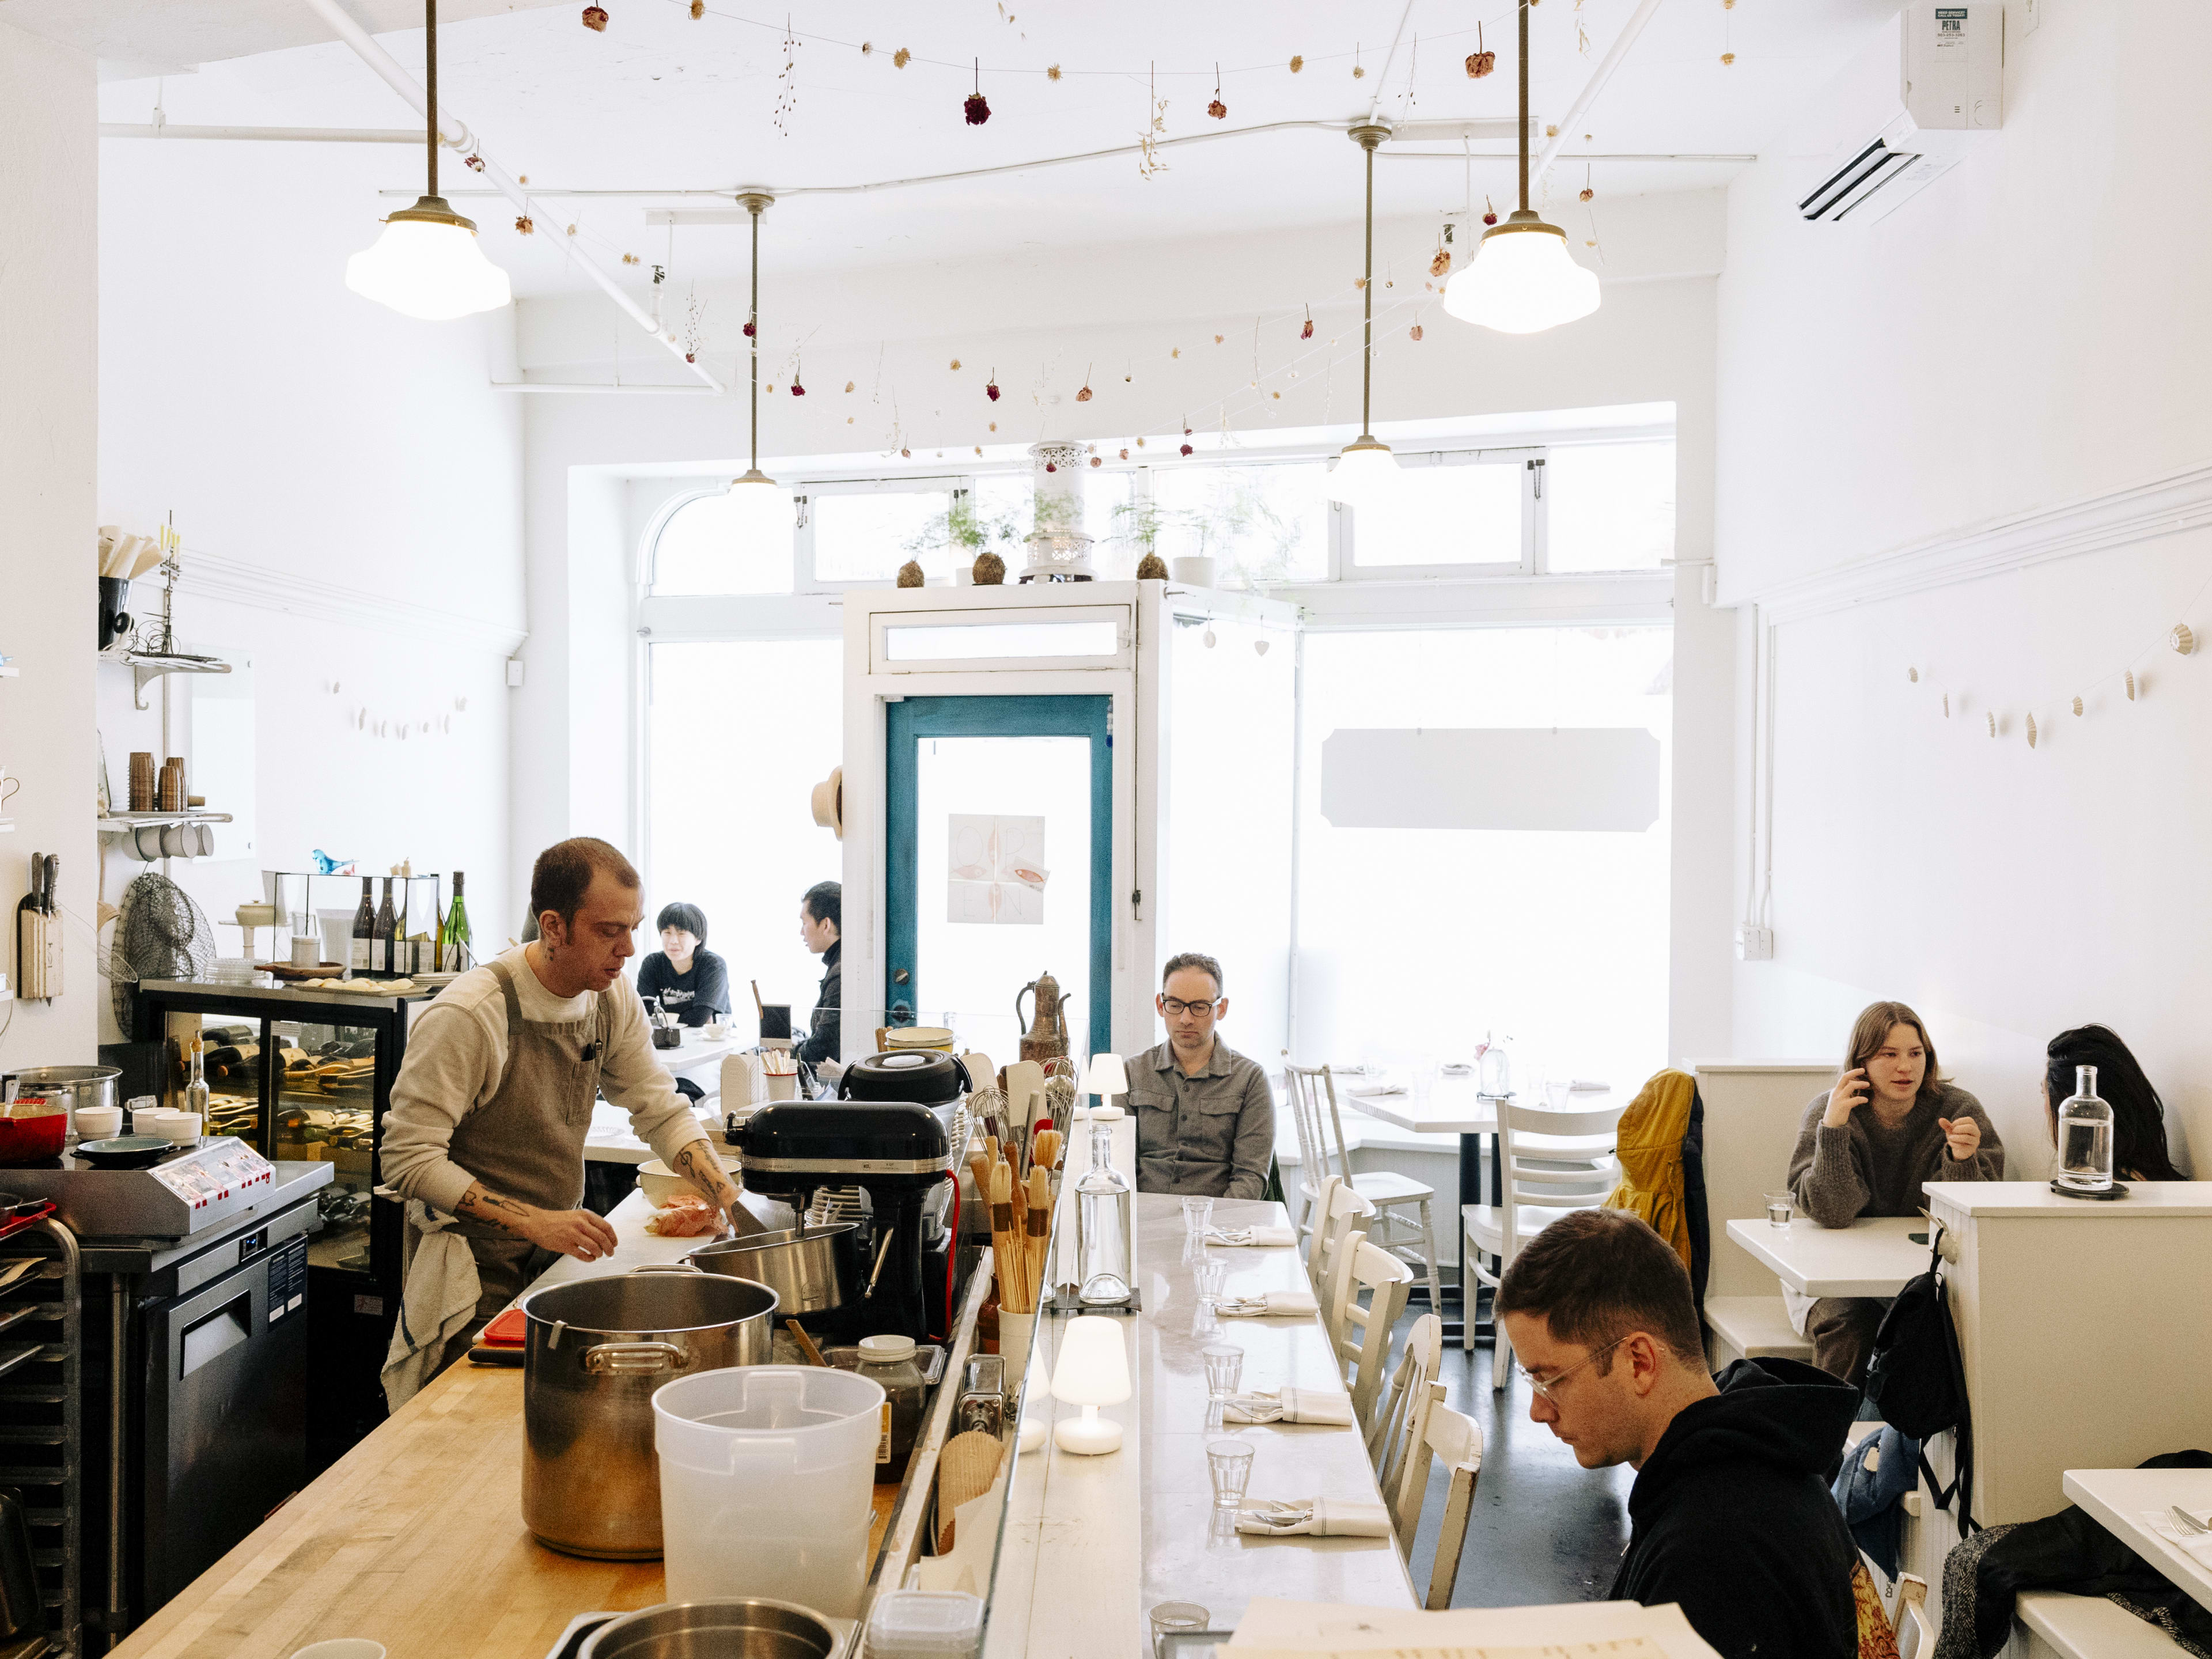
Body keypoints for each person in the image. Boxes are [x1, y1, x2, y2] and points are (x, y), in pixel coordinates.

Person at [382, 838, 749, 1384]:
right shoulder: (470, 1014)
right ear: (553, 926)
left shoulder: (610, 996)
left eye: (634, 927)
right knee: (466, 1422)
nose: (629, 949)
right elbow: (407, 1159)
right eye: (609, 931)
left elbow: (659, 1107)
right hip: (473, 1269)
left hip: (554, 1253)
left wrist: (729, 1202)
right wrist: (536, 1222)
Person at [1497, 1208, 1859, 1659]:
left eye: (1550, 1379)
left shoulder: (1714, 1553)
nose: (1537, 1410)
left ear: (1640, 1362)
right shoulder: (1743, 1449)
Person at [1785, 999, 2003, 1385]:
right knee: (1851, 1324)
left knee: (1931, 1328)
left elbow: (1969, 1223)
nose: (1905, 1066)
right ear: (1861, 1060)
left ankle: (1906, 1444)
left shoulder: (1958, 1108)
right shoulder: (1829, 1110)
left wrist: (1962, 1159)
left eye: (1915, 1053)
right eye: (1889, 1054)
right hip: (1833, 1273)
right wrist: (1834, 1131)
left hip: (1917, 1272)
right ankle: (1834, 1441)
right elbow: (1833, 1213)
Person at [1128, 952, 1274, 1200]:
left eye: (1199, 1007)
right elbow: (1120, 1165)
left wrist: (1210, 1229)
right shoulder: (1131, 1072)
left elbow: (1250, 1178)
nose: (1186, 1019)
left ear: (1222, 1008)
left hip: (1219, 1223)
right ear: (1160, 1006)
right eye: (1175, 1005)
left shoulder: (1251, 1079)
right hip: (1143, 1218)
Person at [2044, 1024, 2186, 1181]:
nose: (2045, 1109)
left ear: (2076, 1105)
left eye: (2045, 1095)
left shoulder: (2101, 1190)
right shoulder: (2148, 1182)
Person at [635, 900, 730, 1028]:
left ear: (698, 939)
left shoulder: (713, 966)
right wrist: (694, 1005)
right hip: (672, 1038)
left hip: (715, 1040)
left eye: (682, 934)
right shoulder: (653, 963)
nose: (673, 941)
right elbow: (643, 1012)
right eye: (667, 933)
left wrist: (661, 1010)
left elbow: (699, 1018)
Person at [794, 881, 842, 1082]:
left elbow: (825, 1046)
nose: (801, 932)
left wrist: (789, 1053)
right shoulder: (842, 963)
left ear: (826, 924)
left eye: (805, 922)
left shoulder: (842, 973)